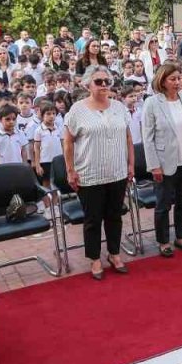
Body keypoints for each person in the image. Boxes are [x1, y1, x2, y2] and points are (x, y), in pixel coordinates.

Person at [62, 65, 134, 280]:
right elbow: (68, 143)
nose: (104, 85)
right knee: (93, 219)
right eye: (98, 81)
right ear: (87, 85)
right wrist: (70, 170)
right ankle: (94, 258)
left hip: (117, 171)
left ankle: (114, 253)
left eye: (107, 81)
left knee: (114, 216)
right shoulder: (77, 110)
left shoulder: (119, 107)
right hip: (89, 174)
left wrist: (131, 164)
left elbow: (128, 138)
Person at [142, 63, 182, 257]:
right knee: (163, 204)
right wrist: (154, 165)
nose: (178, 82)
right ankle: (163, 241)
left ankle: (180, 236)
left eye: (179, 78)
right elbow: (148, 137)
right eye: (173, 79)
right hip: (164, 163)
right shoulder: (152, 103)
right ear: (162, 81)